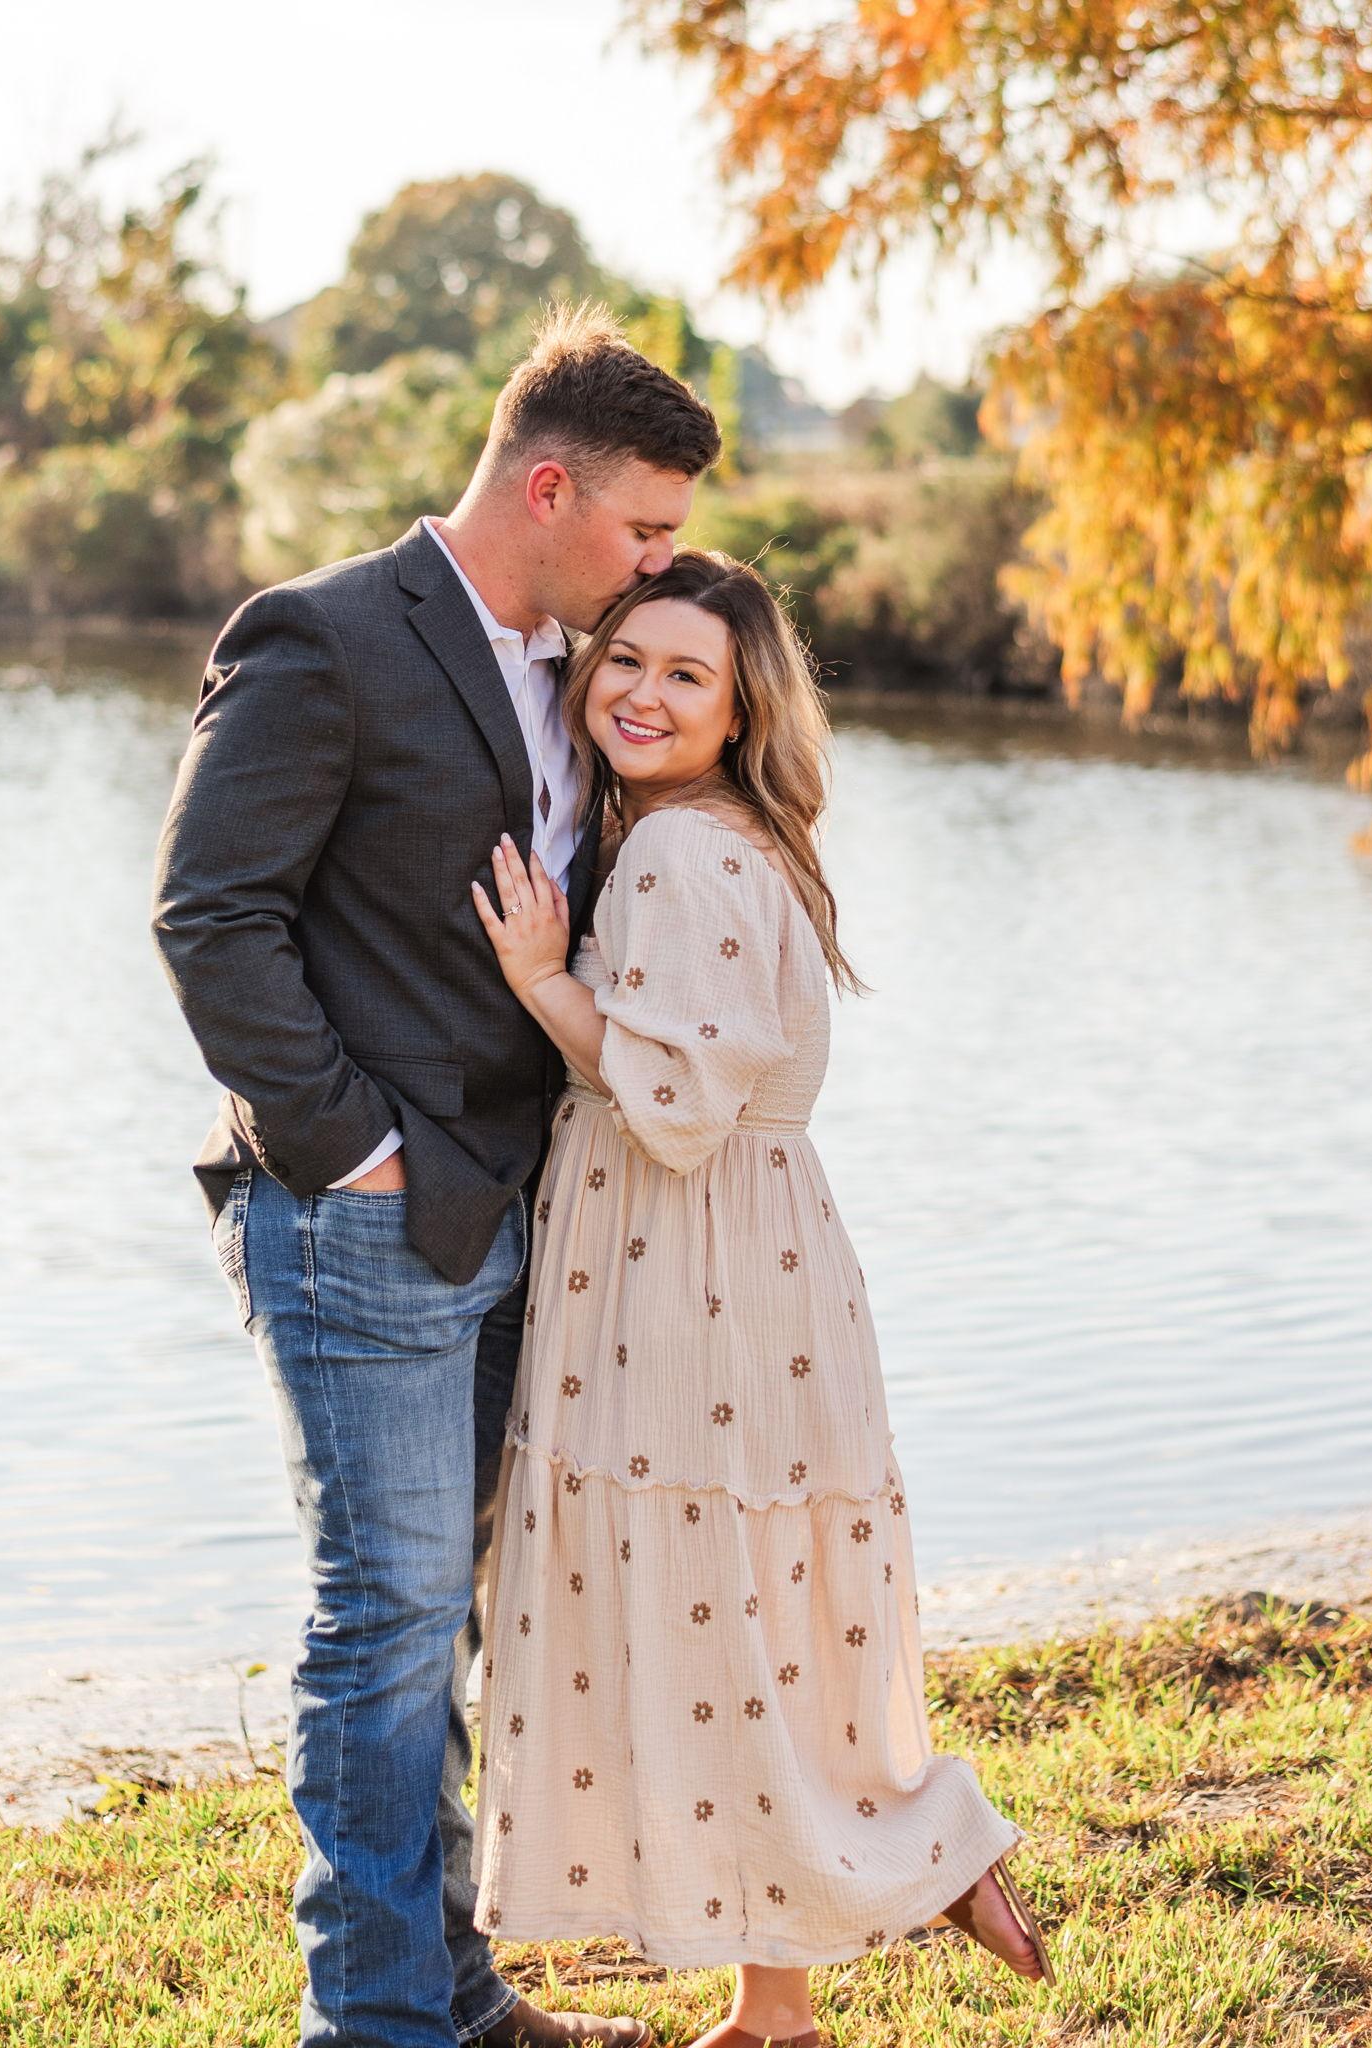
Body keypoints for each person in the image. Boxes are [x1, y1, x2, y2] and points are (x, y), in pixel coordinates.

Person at [151, 305, 721, 2048]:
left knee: (455, 1616)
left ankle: (455, 1999)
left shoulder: (564, 661)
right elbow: (209, 919)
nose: (652, 573)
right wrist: (359, 1153)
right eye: (642, 533)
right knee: (383, 1620)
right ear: (547, 487)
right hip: (358, 1225)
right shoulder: (321, 640)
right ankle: (379, 2025)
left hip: (514, 1216)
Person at [467, 550, 1055, 2046]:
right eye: (625, 662)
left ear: (740, 713)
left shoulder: (678, 854)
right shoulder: (720, 833)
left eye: (687, 676)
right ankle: (775, 2007)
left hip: (690, 1263)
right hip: (749, 1260)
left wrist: (542, 975)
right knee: (751, 1619)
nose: (644, 695)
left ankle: (931, 1848)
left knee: (708, 1607)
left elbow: (674, 1100)